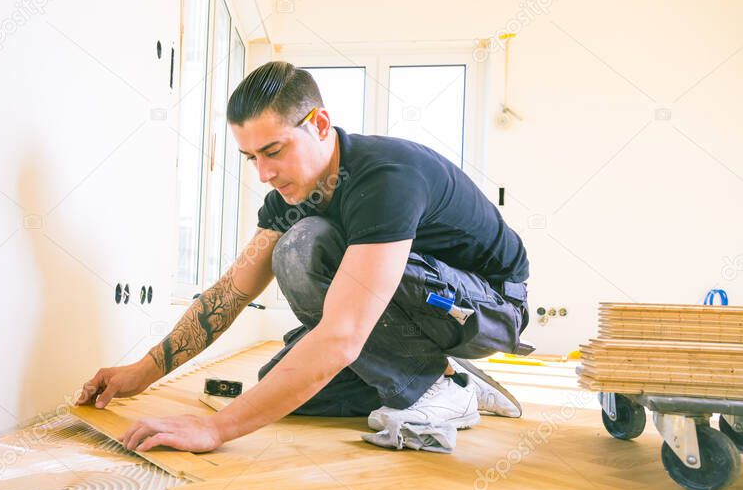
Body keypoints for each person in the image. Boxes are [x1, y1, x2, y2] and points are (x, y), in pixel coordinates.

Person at [78, 61, 530, 453]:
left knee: (302, 246)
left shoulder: (387, 178)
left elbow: (342, 336)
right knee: (283, 387)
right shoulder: (286, 197)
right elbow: (230, 293)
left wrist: (216, 428)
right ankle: (442, 377)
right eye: (251, 157)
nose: (265, 173)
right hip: (419, 305)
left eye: (273, 151)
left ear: (318, 124)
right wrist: (143, 371)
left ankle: (438, 385)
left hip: (489, 306)